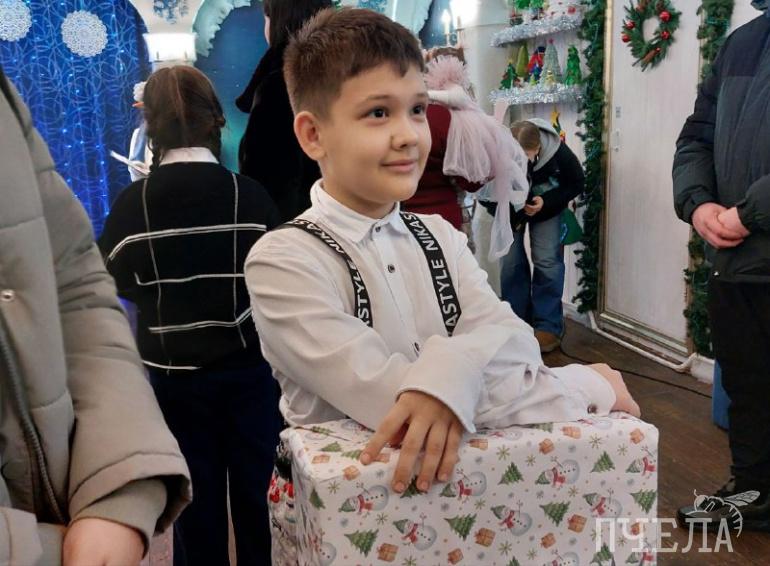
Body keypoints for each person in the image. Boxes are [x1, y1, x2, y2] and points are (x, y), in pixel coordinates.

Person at [246, 4, 639, 517]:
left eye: (417, 109)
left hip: (471, 510)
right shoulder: (283, 261)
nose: (409, 134)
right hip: (356, 522)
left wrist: (449, 371)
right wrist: (586, 384)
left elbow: (516, 342)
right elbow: (391, 405)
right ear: (313, 134)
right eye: (378, 113)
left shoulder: (439, 235)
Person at [0, 67, 190, 564]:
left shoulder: (131, 205)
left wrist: (119, 482)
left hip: (160, 379)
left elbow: (76, 281)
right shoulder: (247, 195)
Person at [98, 66, 283, 565]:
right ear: (214, 119)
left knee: (195, 511)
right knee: (259, 504)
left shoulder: (132, 205)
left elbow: (111, 280)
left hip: (173, 378)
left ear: (150, 124)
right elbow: (279, 281)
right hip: (251, 373)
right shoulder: (251, 195)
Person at [672, 1, 770, 533]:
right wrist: (699, 203)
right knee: (748, 389)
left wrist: (751, 212)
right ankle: (753, 494)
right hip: (736, 261)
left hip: (748, 232)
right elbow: (697, 135)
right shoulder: (742, 42)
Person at [403, 47, 529, 258]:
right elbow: (470, 181)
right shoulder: (451, 121)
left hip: (401, 218)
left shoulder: (406, 115)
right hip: (444, 218)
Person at [236, 0, 331, 222]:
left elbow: (267, 183)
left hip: (298, 230)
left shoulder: (277, 87)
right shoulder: (348, 76)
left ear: (277, 21)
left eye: (266, 18)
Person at [501, 119, 584, 354]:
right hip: (510, 211)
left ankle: (548, 325)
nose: (521, 163)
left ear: (537, 148)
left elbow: (577, 183)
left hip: (547, 209)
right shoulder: (499, 152)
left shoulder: (559, 153)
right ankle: (516, 321)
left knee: (547, 260)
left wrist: (546, 202)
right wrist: (511, 209)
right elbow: (485, 191)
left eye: (525, 157)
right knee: (510, 263)